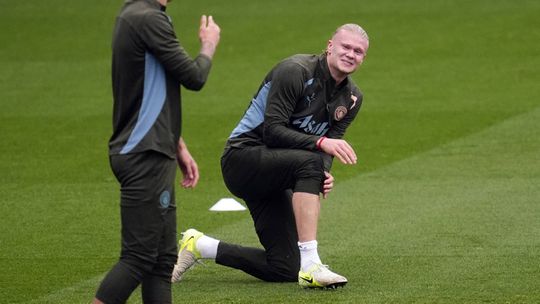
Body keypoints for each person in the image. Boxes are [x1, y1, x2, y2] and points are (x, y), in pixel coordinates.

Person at [172, 23, 369, 289]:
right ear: (330, 46)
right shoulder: (295, 71)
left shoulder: (352, 98)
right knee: (310, 161)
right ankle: (312, 264)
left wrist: (323, 173)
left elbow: (329, 146)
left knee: (285, 266)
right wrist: (320, 146)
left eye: (358, 52)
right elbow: (273, 131)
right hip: (242, 158)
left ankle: (201, 245)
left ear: (363, 58)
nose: (351, 54)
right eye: (346, 47)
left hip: (278, 172)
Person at [92, 0, 220, 302]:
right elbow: (194, 76)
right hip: (144, 154)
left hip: (151, 149)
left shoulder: (135, 15)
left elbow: (151, 89)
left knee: (162, 263)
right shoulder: (149, 19)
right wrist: (209, 45)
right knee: (138, 258)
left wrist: (178, 145)